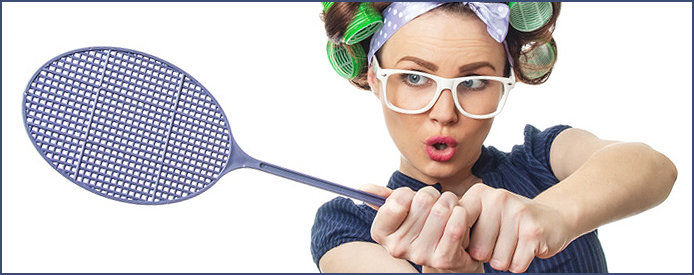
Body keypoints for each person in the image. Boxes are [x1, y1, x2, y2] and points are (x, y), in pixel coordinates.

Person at [311, 2, 678, 273]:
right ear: (376, 78)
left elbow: (654, 168)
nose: (444, 112)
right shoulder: (350, 227)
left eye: (473, 82)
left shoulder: (542, 160)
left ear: (505, 86)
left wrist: (552, 214)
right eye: (415, 78)